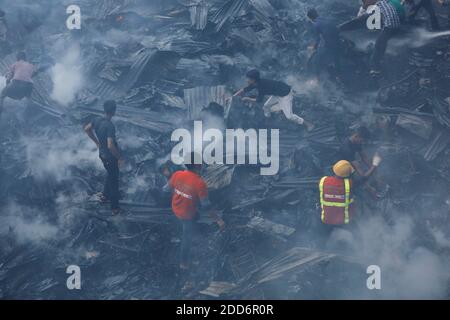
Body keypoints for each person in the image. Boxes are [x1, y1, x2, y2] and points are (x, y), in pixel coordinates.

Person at [164, 152, 225, 270]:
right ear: (198, 164)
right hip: (186, 215)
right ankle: (184, 263)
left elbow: (166, 189)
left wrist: (180, 192)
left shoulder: (177, 174)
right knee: (187, 237)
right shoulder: (199, 183)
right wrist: (219, 220)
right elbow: (206, 206)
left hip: (175, 207)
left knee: (194, 216)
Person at [233, 69, 314, 131]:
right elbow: (245, 89)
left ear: (253, 80)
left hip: (285, 95)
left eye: (248, 79)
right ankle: (268, 121)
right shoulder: (255, 83)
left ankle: (308, 124)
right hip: (277, 93)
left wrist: (247, 99)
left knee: (289, 116)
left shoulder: (261, 86)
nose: (247, 80)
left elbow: (258, 100)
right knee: (266, 107)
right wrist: (233, 97)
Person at [84, 100, 123, 215]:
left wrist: (97, 142)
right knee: (114, 181)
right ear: (114, 112)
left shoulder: (96, 120)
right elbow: (110, 145)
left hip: (102, 155)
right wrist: (120, 158)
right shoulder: (110, 126)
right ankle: (115, 208)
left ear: (104, 110)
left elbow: (87, 129)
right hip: (110, 157)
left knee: (110, 174)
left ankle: (105, 196)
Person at [319, 158, 381, 226]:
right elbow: (364, 178)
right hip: (344, 223)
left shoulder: (323, 181)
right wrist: (374, 165)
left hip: (326, 221)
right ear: (348, 174)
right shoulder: (349, 184)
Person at [306, 8, 342, 78]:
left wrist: (313, 48)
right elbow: (336, 29)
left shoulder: (316, 25)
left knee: (316, 61)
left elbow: (317, 40)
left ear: (310, 18)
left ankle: (317, 79)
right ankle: (339, 73)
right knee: (336, 59)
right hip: (339, 41)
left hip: (331, 46)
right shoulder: (327, 18)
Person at [370, 0, 402, 74]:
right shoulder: (385, 2)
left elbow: (377, 19)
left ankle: (375, 69)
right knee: (383, 41)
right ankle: (381, 58)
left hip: (390, 27)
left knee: (378, 44)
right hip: (397, 25)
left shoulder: (376, 5)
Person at [0, 52, 34, 116]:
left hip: (17, 83)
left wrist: (8, 86)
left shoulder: (15, 64)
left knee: (2, 94)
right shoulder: (31, 65)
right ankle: (30, 109)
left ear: (17, 58)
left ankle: (0, 109)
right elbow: (28, 76)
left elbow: (8, 78)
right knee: (28, 97)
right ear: (25, 58)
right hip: (29, 86)